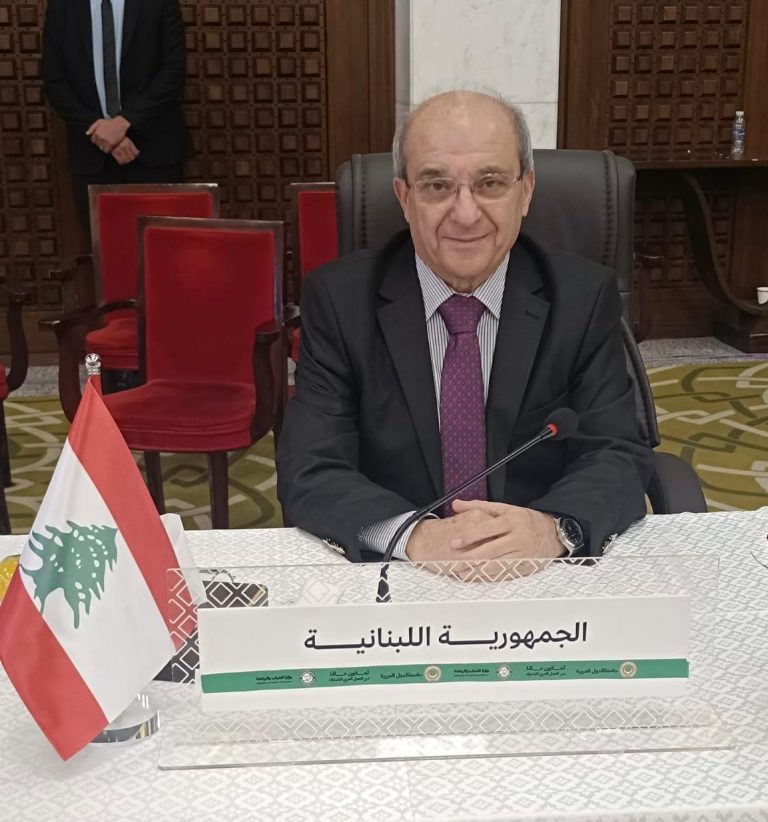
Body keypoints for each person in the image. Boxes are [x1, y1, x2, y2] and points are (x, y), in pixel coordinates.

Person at [276, 90, 652, 568]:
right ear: (405, 198)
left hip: (539, 570)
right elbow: (311, 467)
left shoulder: (582, 298)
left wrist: (552, 528)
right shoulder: (339, 302)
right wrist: (414, 536)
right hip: (400, 570)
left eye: (490, 183)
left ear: (526, 191)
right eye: (437, 186)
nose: (466, 214)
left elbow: (616, 453)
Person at [42, 0, 192, 235]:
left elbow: (174, 70)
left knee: (165, 247)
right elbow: (54, 80)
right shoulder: (62, 6)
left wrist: (124, 122)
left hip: (154, 152)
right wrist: (98, 130)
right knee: (106, 250)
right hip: (93, 156)